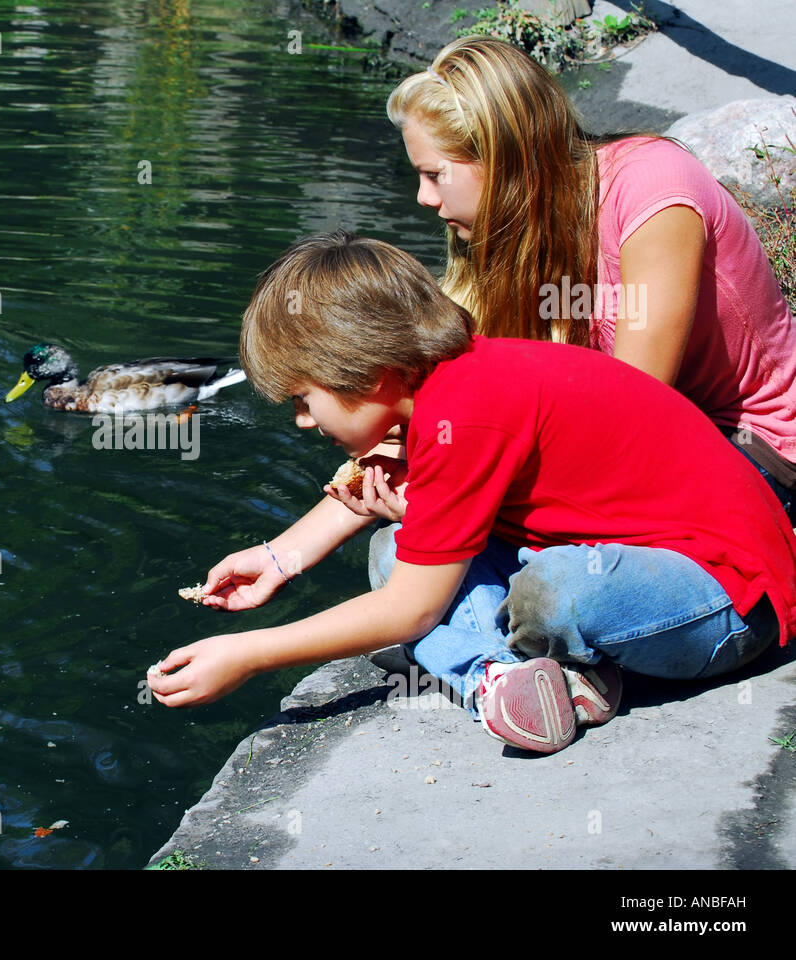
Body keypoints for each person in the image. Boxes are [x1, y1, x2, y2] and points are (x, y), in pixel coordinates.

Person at [146, 231, 796, 754]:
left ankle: (497, 671)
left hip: (728, 599)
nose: (304, 421)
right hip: (629, 563)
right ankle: (523, 682)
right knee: (396, 549)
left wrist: (248, 654)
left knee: (554, 590)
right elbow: (391, 479)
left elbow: (410, 613)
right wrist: (279, 559)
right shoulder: (450, 383)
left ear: (365, 371)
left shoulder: (469, 413)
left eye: (303, 398)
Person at [384, 36, 796, 521]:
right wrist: (288, 554)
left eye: (435, 175)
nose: (423, 198)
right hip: (662, 446)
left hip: (758, 445)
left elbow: (633, 412)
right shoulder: (510, 233)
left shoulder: (650, 187)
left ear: (502, 158)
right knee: (415, 532)